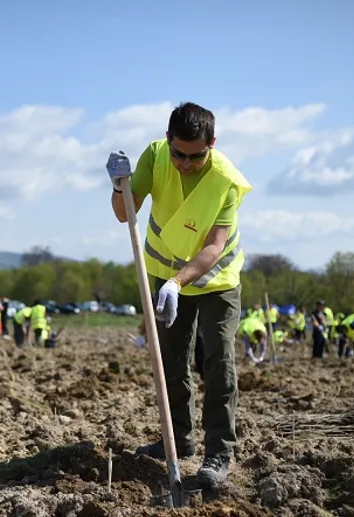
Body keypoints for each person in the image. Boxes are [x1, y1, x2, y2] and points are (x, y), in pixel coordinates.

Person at [106, 102, 252, 486]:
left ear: (212, 144)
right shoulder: (155, 156)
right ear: (168, 140)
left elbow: (213, 247)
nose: (186, 164)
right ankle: (179, 440)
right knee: (171, 357)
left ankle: (219, 453)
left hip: (216, 280)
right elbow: (126, 213)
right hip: (163, 271)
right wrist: (119, 184)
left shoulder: (226, 180)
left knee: (218, 358)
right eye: (179, 154)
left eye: (196, 156)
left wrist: (178, 283)